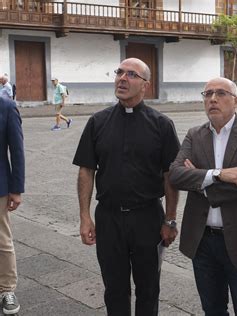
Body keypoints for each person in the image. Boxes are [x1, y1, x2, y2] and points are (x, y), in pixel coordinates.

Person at [72, 58, 180, 316]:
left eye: (131, 74)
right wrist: (85, 216)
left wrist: (171, 219)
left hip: (148, 219)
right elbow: (86, 170)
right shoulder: (98, 122)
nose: (122, 78)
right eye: (119, 72)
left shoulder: (162, 125)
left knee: (149, 288)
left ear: (145, 85)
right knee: (114, 288)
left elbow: (171, 177)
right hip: (108, 218)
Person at [169, 77, 237, 315]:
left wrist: (200, 181)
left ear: (236, 101)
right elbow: (175, 175)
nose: (212, 99)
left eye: (220, 93)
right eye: (207, 94)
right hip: (203, 241)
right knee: (212, 309)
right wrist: (219, 175)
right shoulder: (195, 135)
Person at [0, 97, 25, 315]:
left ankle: (7, 289)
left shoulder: (6, 107)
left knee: (2, 239)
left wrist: (16, 188)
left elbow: (16, 149)